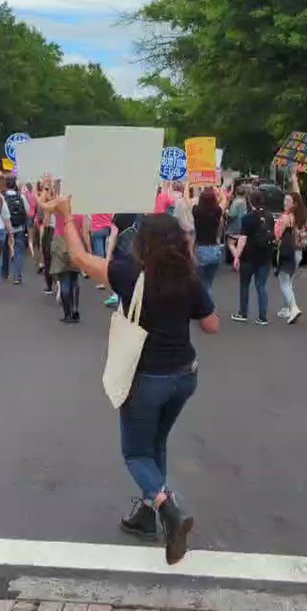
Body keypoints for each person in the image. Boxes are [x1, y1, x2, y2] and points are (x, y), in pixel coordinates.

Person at [54, 198, 220, 565]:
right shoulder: (188, 279)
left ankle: (167, 507)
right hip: (184, 376)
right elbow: (212, 324)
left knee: (136, 452)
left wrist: (66, 217)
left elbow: (81, 259)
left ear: (143, 244)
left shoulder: (131, 275)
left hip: (147, 377)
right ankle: (147, 515)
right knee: (156, 440)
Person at [231, 188, 273, 325]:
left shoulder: (247, 218)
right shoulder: (269, 216)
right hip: (265, 256)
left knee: (244, 285)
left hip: (249, 257)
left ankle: (243, 313)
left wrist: (237, 256)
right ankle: (262, 317)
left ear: (250, 201)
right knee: (261, 286)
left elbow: (242, 239)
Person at [274, 191, 307, 324]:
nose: (285, 203)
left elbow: (277, 234)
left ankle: (293, 308)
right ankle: (286, 308)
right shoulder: (301, 217)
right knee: (289, 282)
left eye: (288, 201)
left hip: (287, 251)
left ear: (294, 203)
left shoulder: (286, 217)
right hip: (298, 252)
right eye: (285, 200)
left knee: (284, 282)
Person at [192, 188, 224, 297]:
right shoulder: (217, 212)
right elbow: (224, 200)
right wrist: (219, 190)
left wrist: (188, 184)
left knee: (200, 283)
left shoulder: (197, 211)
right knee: (209, 283)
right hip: (215, 249)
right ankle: (209, 307)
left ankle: (203, 309)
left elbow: (187, 200)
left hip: (201, 249)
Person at [90, 212, 116, 290]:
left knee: (100, 254)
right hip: (108, 227)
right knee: (107, 252)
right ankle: (110, 275)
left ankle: (102, 280)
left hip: (97, 228)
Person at [224, 185, 248, 266]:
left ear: (236, 193)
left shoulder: (236, 202)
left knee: (230, 243)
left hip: (235, 225)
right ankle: (239, 258)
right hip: (243, 224)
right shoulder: (244, 201)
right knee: (239, 244)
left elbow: (232, 215)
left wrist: (227, 212)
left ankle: (237, 258)